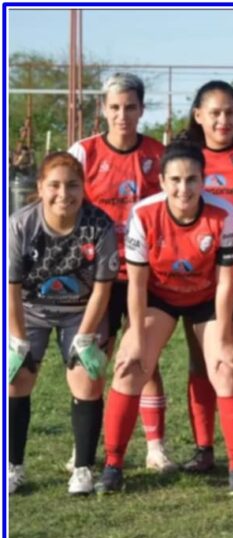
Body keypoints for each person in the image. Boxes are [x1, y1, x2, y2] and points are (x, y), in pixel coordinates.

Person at [94, 141, 233, 494]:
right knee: (129, 363)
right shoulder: (143, 214)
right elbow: (136, 284)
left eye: (192, 180)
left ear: (203, 180)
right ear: (163, 182)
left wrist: (225, 334)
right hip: (160, 297)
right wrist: (135, 334)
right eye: (176, 180)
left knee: (228, 366)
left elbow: (226, 284)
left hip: (207, 298)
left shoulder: (224, 214)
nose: (184, 189)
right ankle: (113, 464)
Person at [68, 72, 172, 473]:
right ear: (103, 110)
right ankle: (86, 445)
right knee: (94, 357)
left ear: (142, 109)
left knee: (145, 359)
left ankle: (155, 445)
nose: (122, 115)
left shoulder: (158, 155)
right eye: (115, 107)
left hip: (147, 274)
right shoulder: (84, 152)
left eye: (130, 107)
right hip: (98, 277)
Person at [8, 152, 117, 495]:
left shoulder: (100, 225)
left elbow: (102, 288)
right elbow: (10, 289)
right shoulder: (19, 225)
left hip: (80, 310)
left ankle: (83, 468)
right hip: (31, 309)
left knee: (89, 379)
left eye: (72, 185)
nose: (63, 194)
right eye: (54, 185)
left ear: (83, 188)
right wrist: (18, 341)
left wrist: (85, 338)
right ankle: (12, 466)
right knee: (15, 379)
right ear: (40, 188)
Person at [177, 80, 233, 473]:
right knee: (201, 362)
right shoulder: (185, 158)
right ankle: (203, 447)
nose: (223, 120)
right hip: (199, 277)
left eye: (230, 112)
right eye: (214, 112)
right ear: (199, 116)